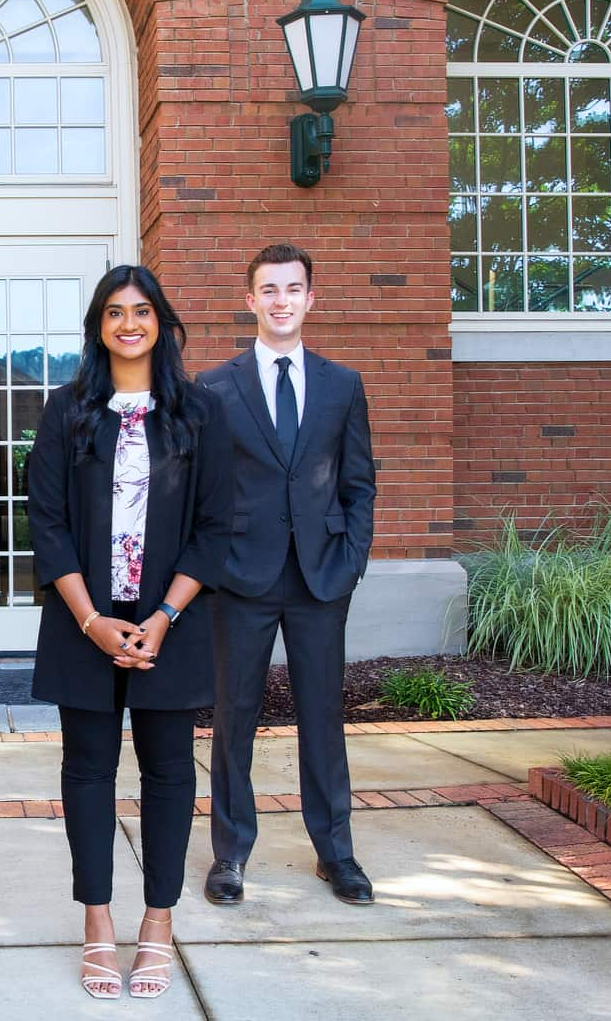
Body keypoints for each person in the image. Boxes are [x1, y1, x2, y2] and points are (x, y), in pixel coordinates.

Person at [25, 264, 232, 1000]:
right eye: (114, 313)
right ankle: (98, 927)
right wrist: (89, 619)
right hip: (83, 622)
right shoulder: (68, 411)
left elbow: (214, 528)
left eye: (141, 311)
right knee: (87, 773)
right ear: (99, 327)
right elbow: (45, 524)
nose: (128, 324)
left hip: (165, 628)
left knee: (171, 774)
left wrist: (162, 617)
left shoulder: (199, 415)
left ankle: (157, 927)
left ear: (160, 322)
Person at [199, 242, 377, 907]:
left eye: (292, 288)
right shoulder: (216, 387)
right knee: (234, 717)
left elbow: (359, 482)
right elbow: (203, 491)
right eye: (268, 290)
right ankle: (231, 854)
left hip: (320, 578)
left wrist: (351, 559)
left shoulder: (342, 385)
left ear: (311, 298)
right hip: (241, 579)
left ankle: (338, 853)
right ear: (250, 300)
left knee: (323, 720)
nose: (280, 301)